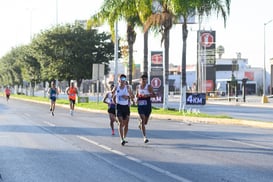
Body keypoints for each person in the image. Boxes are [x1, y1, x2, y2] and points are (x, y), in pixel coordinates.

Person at [113, 74, 134, 146]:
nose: (122, 81)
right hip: (119, 106)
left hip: (126, 107)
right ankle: (122, 139)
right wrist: (115, 103)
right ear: (119, 80)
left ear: (125, 80)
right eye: (121, 79)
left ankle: (124, 138)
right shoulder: (116, 88)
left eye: (124, 79)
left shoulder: (128, 88)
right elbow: (112, 96)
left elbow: (132, 96)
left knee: (126, 123)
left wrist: (127, 97)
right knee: (120, 123)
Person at [136, 74, 156, 143]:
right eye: (142, 79)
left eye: (145, 79)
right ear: (140, 80)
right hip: (140, 105)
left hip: (147, 104)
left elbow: (154, 95)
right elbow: (137, 95)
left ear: (146, 80)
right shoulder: (138, 87)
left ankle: (140, 124)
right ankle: (145, 137)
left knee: (145, 122)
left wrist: (147, 95)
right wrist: (137, 99)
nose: (143, 81)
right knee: (143, 119)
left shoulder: (149, 86)